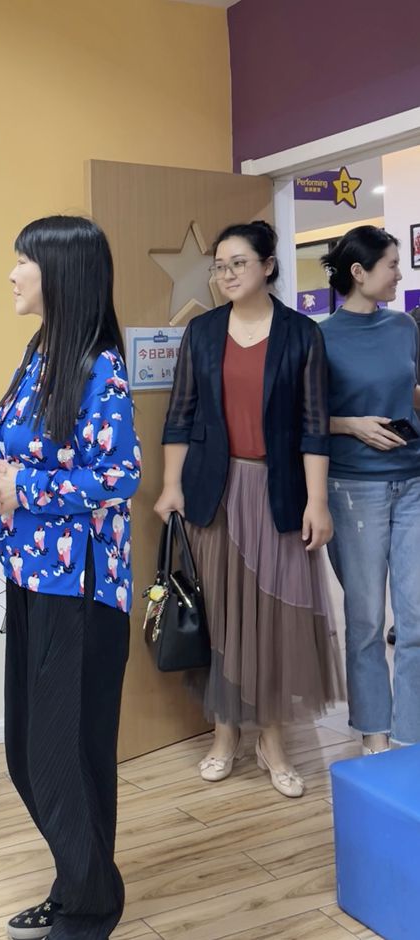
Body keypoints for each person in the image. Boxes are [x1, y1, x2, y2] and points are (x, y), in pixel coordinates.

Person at [0, 216, 141, 940]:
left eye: (24, 261)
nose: (12, 273)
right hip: (29, 580)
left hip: (80, 593)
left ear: (63, 275)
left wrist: (24, 487)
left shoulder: (100, 369)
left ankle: (90, 905)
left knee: (61, 760)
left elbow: (119, 476)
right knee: (31, 755)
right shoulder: (40, 353)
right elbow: (18, 451)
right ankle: (81, 884)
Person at [155, 220, 343, 799]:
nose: (226, 274)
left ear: (268, 266)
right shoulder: (203, 332)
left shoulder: (301, 334)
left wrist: (317, 502)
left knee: (276, 622)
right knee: (222, 616)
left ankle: (274, 743)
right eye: (219, 266)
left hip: (279, 493)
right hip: (215, 493)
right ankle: (225, 736)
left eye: (238, 263)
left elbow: (314, 426)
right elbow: (180, 415)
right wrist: (171, 486)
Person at [319, 225, 420, 753]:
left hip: (414, 483)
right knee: (364, 621)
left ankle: (410, 737)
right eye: (392, 265)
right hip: (353, 488)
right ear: (359, 273)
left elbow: (411, 390)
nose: (400, 273)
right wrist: (350, 425)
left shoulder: (404, 326)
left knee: (416, 619)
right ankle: (374, 734)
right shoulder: (320, 337)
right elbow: (301, 417)